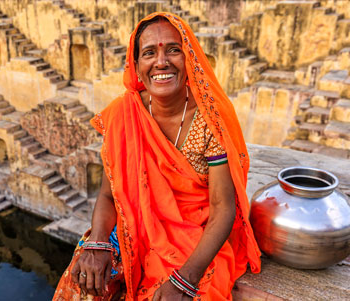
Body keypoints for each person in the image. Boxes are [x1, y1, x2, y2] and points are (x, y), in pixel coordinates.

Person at [54, 12, 261, 301]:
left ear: (189, 58)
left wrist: (185, 280)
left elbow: (223, 208)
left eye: (173, 50)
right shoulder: (122, 114)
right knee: (83, 282)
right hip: (132, 227)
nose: (161, 62)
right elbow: (107, 196)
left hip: (194, 237)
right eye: (149, 53)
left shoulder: (210, 121)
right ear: (136, 66)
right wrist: (98, 244)